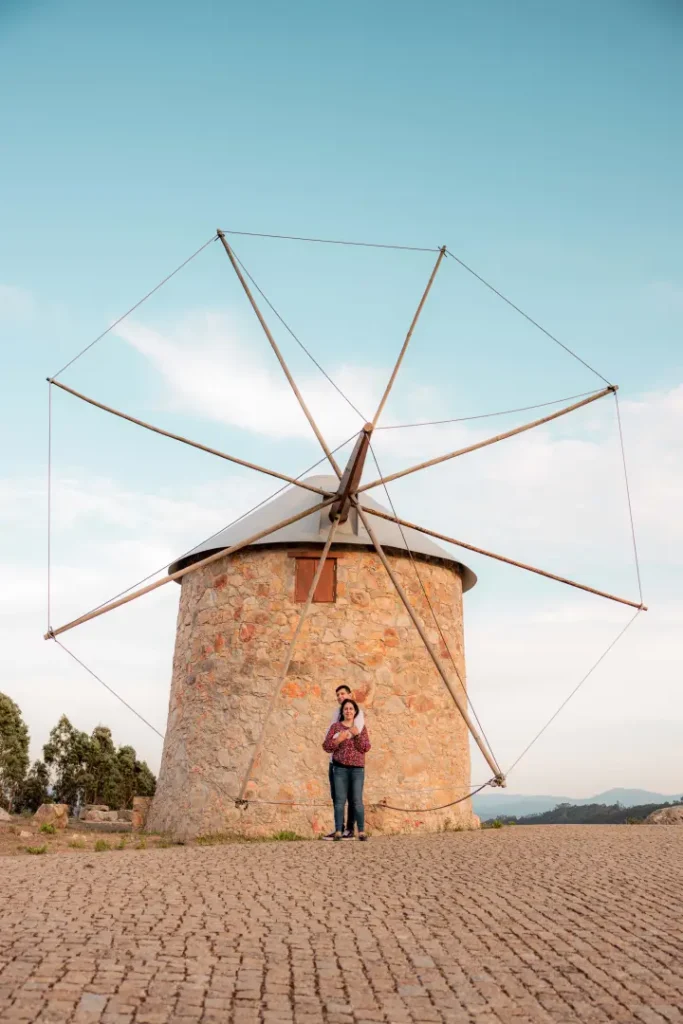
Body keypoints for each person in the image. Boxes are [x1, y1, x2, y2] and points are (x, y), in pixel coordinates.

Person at [323, 698, 371, 842]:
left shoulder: (360, 728)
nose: (348, 711)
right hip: (340, 768)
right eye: (346, 709)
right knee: (339, 801)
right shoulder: (336, 727)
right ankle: (338, 830)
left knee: (357, 800)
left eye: (351, 709)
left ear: (355, 711)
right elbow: (326, 746)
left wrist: (356, 735)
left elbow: (365, 747)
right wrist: (339, 740)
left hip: (357, 770)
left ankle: (361, 831)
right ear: (342, 712)